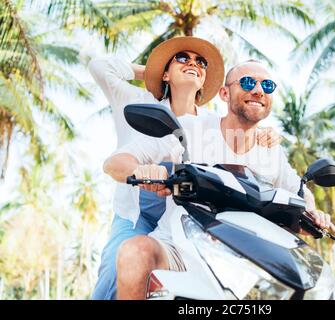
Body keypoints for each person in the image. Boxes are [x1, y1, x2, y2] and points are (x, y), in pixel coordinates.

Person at [103, 60, 335, 299]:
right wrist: (144, 171)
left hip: (247, 255)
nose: (258, 90)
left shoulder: (271, 149)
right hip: (181, 246)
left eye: (267, 85)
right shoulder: (189, 129)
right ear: (224, 93)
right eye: (247, 82)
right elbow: (116, 162)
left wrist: (312, 211)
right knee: (135, 251)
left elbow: (297, 189)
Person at [88, 37, 282, 299]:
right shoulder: (139, 100)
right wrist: (155, 73)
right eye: (183, 58)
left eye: (200, 63)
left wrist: (262, 135)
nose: (193, 63)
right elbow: (100, 66)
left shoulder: (212, 123)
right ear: (166, 73)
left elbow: (241, 137)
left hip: (188, 216)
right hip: (139, 211)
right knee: (116, 270)